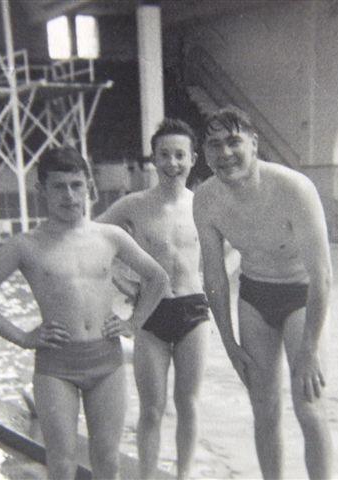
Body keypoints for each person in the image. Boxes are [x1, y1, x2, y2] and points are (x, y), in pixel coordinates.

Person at [0, 147, 169, 480]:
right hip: (55, 366)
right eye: (59, 186)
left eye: (76, 185)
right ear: (41, 190)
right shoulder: (25, 245)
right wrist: (22, 337)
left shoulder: (110, 237)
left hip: (107, 362)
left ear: (89, 186)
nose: (69, 195)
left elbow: (157, 277)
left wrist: (133, 323)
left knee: (108, 460)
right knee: (60, 463)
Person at [192, 106, 333, 479]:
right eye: (214, 145)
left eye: (234, 141)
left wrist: (311, 350)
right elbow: (215, 277)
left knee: (308, 405)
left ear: (254, 143)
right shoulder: (205, 199)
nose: (224, 154)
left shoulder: (293, 188)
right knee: (264, 408)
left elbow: (323, 276)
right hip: (254, 296)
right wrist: (228, 342)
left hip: (301, 295)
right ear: (205, 152)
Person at [97, 119, 210, 480]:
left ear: (193, 159)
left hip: (194, 309)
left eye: (180, 155)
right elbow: (94, 236)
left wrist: (215, 278)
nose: (172, 163)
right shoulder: (135, 204)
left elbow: (236, 247)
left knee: (188, 405)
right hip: (150, 312)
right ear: (154, 159)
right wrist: (120, 278)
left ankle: (184, 475)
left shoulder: (205, 204)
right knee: (151, 409)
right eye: (165, 155)